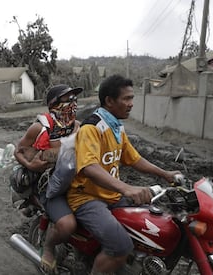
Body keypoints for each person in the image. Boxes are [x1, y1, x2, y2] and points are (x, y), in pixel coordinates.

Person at [66, 74, 182, 274]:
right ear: (110, 101)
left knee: (149, 225)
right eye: (126, 99)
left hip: (111, 196)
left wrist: (165, 174)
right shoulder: (92, 128)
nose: (131, 104)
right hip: (87, 198)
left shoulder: (116, 127)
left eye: (132, 98)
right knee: (120, 247)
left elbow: (134, 159)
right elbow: (89, 167)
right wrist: (127, 188)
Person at [14, 84, 83, 274]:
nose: (73, 103)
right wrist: (30, 165)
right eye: (67, 99)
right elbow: (19, 151)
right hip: (49, 183)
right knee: (67, 223)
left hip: (75, 179)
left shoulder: (76, 126)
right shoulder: (40, 127)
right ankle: (48, 249)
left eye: (74, 99)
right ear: (54, 104)